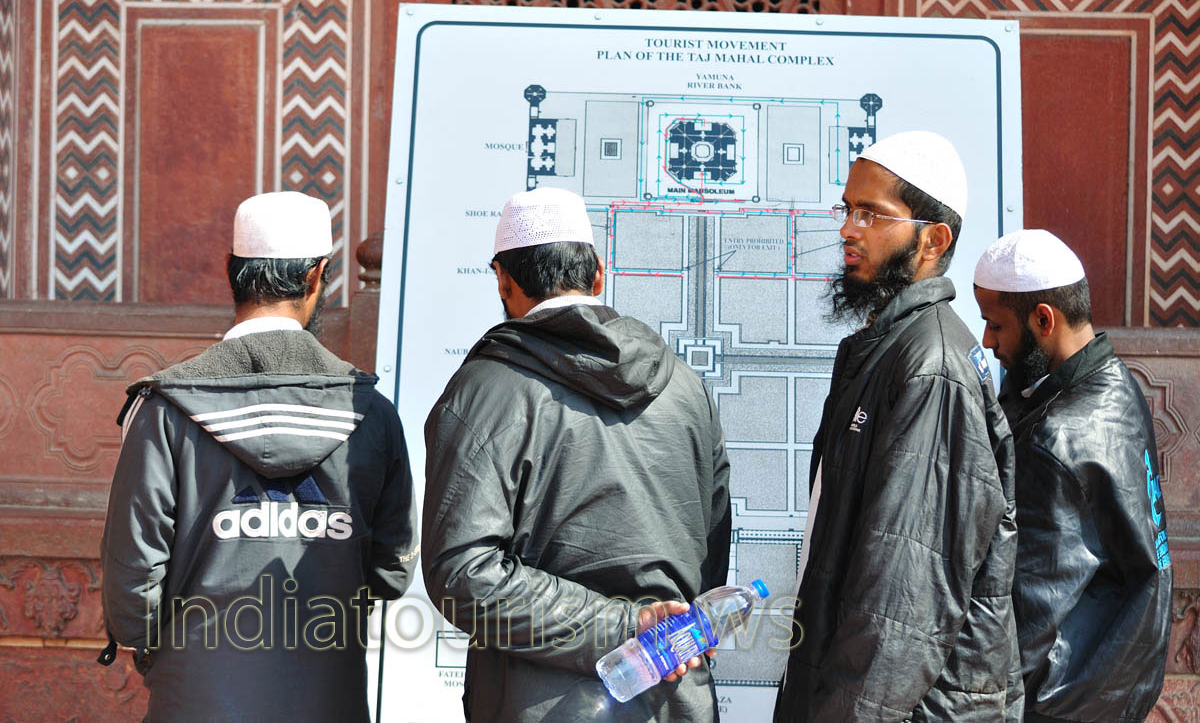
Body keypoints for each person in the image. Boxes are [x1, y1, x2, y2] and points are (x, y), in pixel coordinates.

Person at [99, 191, 419, 722]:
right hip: (328, 698)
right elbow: (392, 571)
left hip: (193, 699)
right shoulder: (371, 413)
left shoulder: (166, 409)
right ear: (318, 276)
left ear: (232, 270)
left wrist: (162, 656)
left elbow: (132, 579)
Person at [422, 186, 732, 722]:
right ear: (597, 275)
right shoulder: (686, 387)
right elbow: (711, 551)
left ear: (502, 279)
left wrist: (624, 628)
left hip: (536, 704)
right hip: (673, 700)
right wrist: (643, 630)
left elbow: (462, 573)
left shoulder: (484, 391)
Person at [774, 131, 1022, 721]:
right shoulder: (891, 348)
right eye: (847, 209)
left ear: (934, 240)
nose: (847, 231)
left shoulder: (930, 368)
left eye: (870, 214)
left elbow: (903, 607)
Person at [973, 229, 1172, 722]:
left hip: (1060, 701)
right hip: (1116, 686)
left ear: (1044, 319)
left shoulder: (1056, 439)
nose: (986, 341)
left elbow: (1027, 618)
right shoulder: (1115, 383)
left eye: (995, 325)